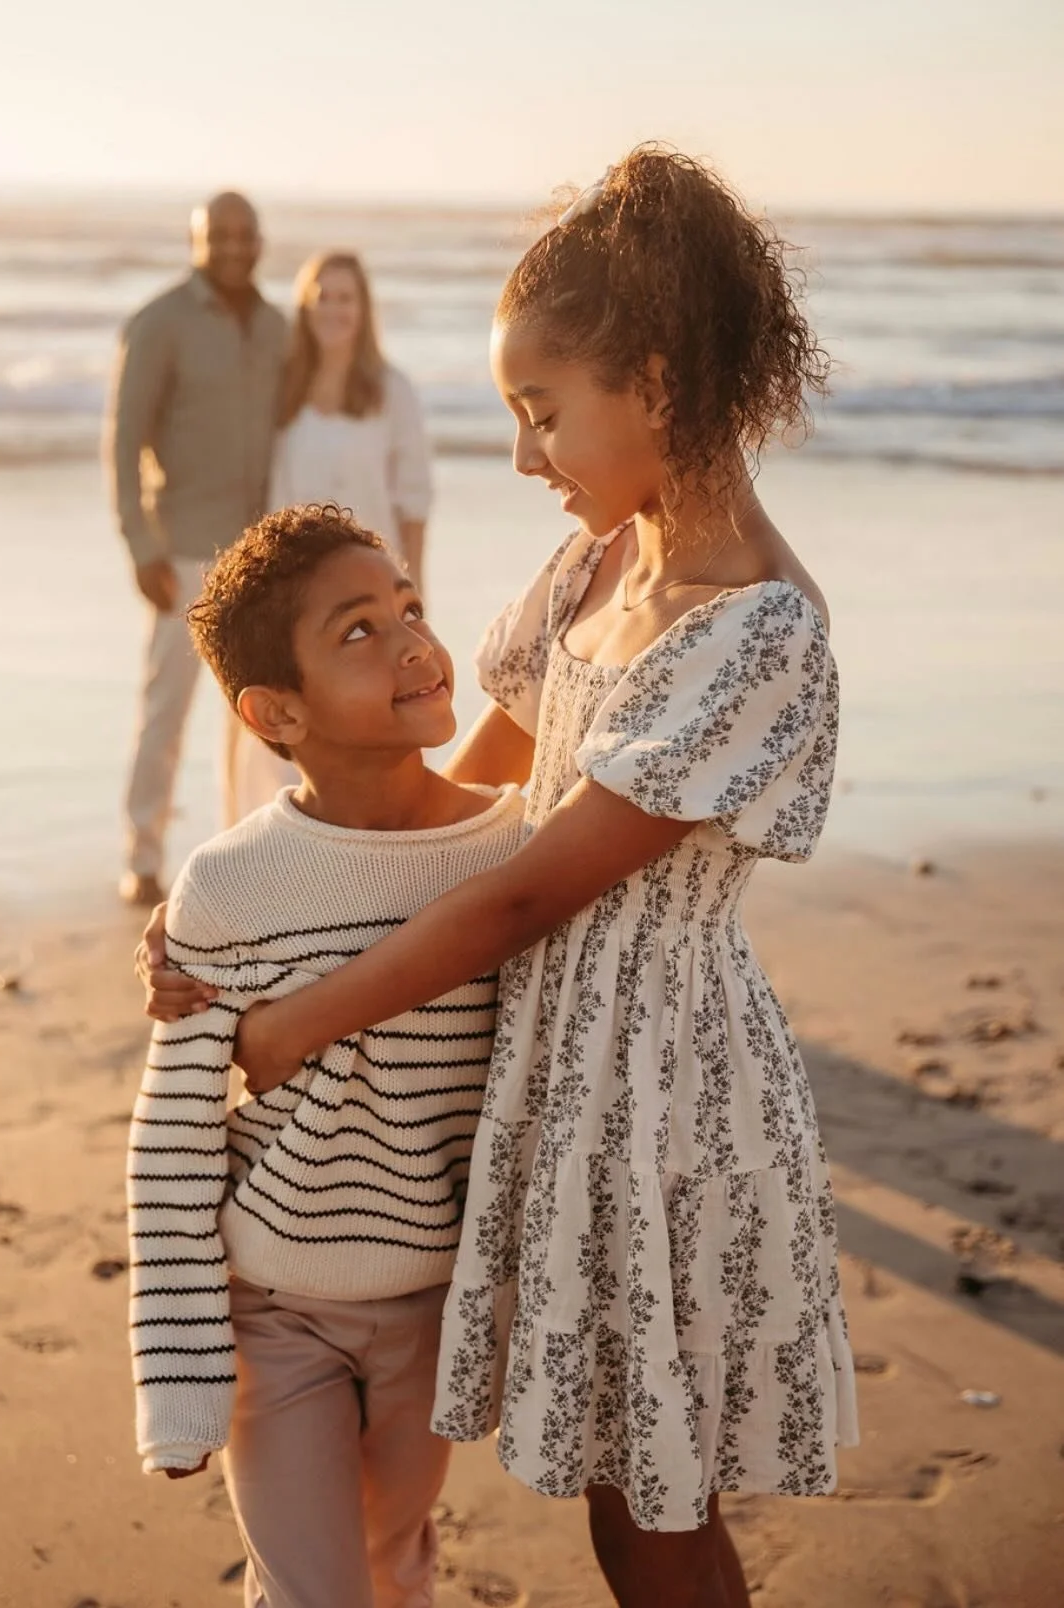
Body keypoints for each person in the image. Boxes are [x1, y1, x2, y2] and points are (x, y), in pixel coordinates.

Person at [141, 145, 859, 1608]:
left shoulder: (759, 632)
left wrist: (295, 1023)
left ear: (655, 384)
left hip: (658, 1094)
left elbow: (528, 892)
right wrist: (251, 906)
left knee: (650, 1503)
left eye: (541, 412)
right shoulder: (593, 570)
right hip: (550, 1076)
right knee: (618, 1486)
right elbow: (457, 811)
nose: (525, 458)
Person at [126, 504, 525, 1608]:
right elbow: (172, 1141)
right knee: (314, 1592)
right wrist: (179, 1387)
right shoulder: (230, 886)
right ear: (277, 711)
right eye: (359, 630)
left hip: (433, 1310)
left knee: (392, 1561)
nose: (413, 642)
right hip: (275, 1307)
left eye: (410, 607)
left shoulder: (513, 852)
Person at [106, 190, 287, 905]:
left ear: (260, 240)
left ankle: (242, 845)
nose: (235, 246)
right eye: (220, 235)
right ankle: (142, 856)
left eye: (246, 233)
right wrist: (140, 545)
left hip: (259, 552)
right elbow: (124, 441)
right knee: (166, 710)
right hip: (181, 550)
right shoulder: (159, 324)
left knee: (256, 710)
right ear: (197, 241)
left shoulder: (277, 327)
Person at [225, 251, 433, 821]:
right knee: (283, 715)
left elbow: (414, 496)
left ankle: (371, 837)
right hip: (292, 587)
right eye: (323, 297)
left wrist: (413, 591)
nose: (334, 310)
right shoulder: (283, 389)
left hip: (370, 586)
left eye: (346, 298)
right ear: (304, 307)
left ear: (363, 309)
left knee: (369, 712)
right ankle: (260, 839)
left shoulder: (391, 391)